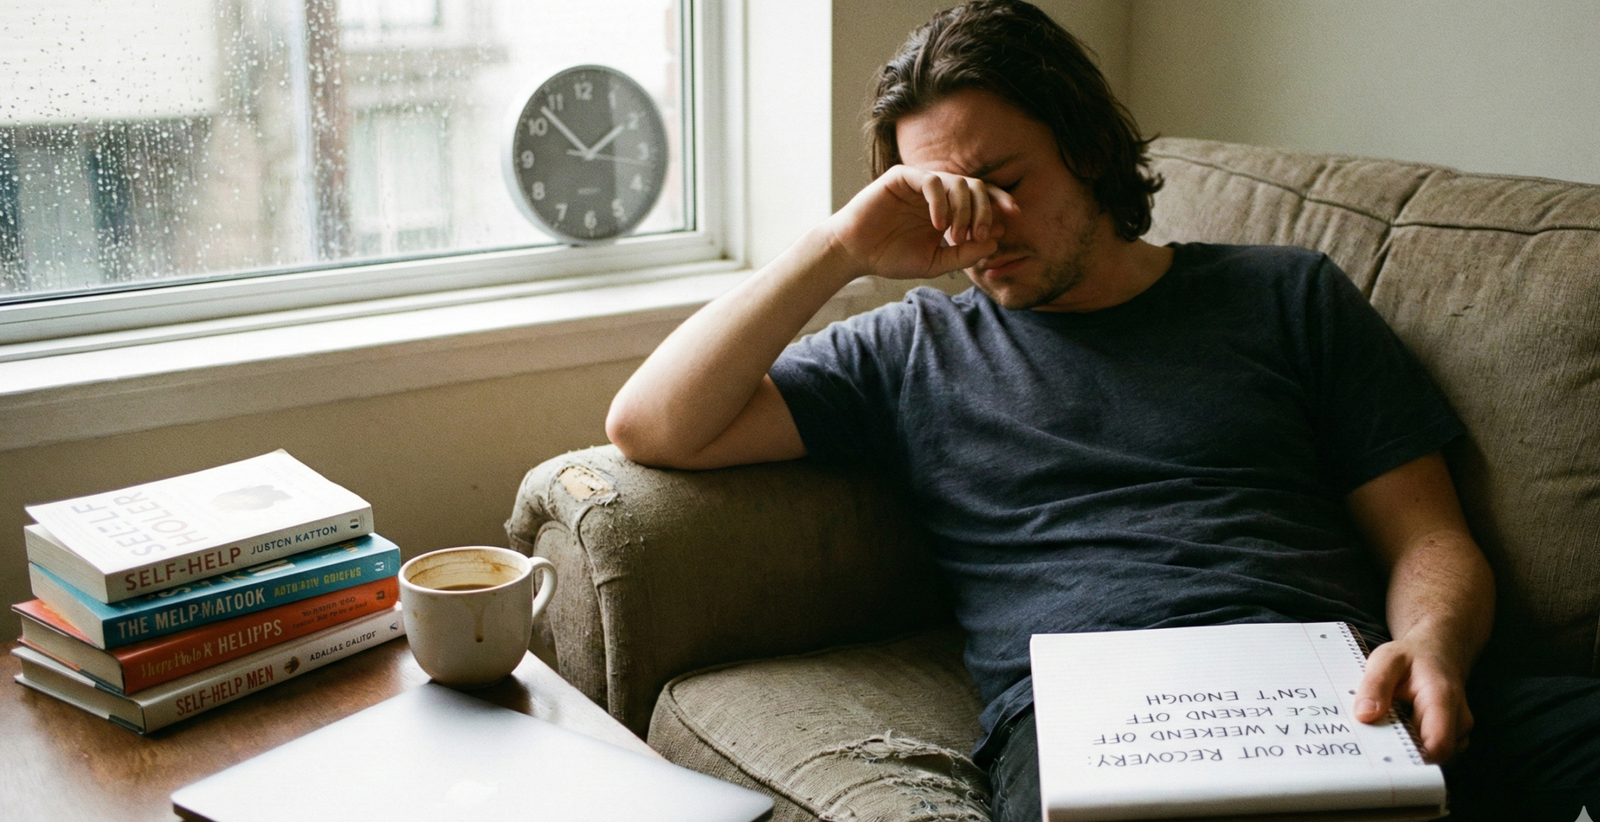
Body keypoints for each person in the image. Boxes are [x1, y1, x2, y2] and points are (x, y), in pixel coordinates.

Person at [605, 2, 1598, 820]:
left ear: (1085, 149)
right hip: (1094, 731)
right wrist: (838, 248)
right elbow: (650, 425)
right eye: (944, 196)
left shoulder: (1286, 295)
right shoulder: (911, 350)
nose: (978, 228)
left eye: (1001, 183)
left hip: (1336, 695)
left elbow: (1428, 532)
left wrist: (1429, 648)